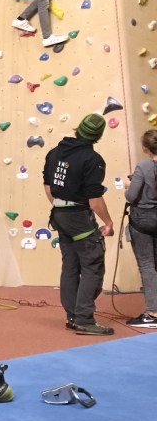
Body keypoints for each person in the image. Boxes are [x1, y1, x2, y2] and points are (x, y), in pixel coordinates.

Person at [43, 113, 115, 336]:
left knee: (71, 266)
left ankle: (73, 316)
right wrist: (108, 222)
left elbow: (48, 187)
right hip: (79, 218)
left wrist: (62, 208)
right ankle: (84, 318)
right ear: (98, 136)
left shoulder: (54, 152)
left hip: (59, 215)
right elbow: (94, 200)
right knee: (92, 265)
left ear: (79, 129)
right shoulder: (93, 160)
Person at [124, 129, 157, 328]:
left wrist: (128, 184)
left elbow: (131, 196)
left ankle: (153, 313)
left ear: (145, 148)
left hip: (143, 219)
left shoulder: (144, 166)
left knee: (147, 265)